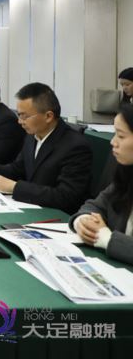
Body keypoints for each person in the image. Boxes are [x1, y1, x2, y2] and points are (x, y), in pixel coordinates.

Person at [0, 83, 92, 214]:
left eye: (24, 116)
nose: (19, 121)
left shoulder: (75, 146)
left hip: (57, 217)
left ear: (48, 116)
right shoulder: (32, 135)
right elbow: (17, 169)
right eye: (19, 115)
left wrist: (15, 187)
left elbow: (65, 196)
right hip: (32, 207)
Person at [70, 104, 133, 265]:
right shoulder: (126, 175)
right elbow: (94, 205)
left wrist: (106, 238)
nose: (113, 142)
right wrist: (83, 222)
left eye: (120, 136)